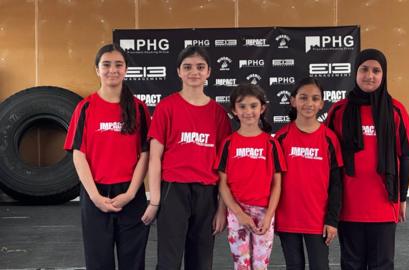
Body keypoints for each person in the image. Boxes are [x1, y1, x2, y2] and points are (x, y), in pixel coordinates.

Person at [326, 48, 409, 270]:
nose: (370, 75)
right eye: (364, 69)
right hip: (348, 205)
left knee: (382, 265)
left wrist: (402, 198)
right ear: (355, 72)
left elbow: (405, 157)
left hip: (384, 204)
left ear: (383, 74)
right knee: (351, 264)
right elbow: (329, 163)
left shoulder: (396, 110)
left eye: (376, 70)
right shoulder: (339, 111)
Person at [141, 45, 232, 270]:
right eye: (188, 67)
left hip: (206, 194)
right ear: (179, 72)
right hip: (173, 191)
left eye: (200, 67)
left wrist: (222, 208)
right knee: (169, 260)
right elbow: (155, 158)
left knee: (201, 261)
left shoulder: (218, 114)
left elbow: (224, 167)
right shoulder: (166, 107)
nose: (194, 72)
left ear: (209, 72)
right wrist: (154, 200)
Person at [64, 44, 151, 270]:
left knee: (133, 262)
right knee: (98, 263)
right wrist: (94, 197)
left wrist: (131, 193)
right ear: (97, 69)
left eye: (118, 64)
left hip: (131, 197)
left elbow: (145, 154)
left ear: (126, 69)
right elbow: (78, 155)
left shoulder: (139, 108)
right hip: (96, 195)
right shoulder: (85, 108)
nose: (112, 69)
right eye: (106, 64)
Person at [215, 84, 286, 270]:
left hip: (264, 213)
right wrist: (238, 213)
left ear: (262, 108)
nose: (248, 111)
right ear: (234, 110)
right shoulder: (228, 143)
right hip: (236, 213)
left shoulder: (271, 144)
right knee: (242, 265)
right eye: (242, 106)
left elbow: (277, 184)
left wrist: (269, 215)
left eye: (253, 106)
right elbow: (222, 184)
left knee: (260, 266)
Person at [275, 77, 343, 270]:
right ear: (293, 101)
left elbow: (336, 184)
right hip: (288, 220)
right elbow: (273, 182)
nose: (309, 103)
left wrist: (332, 221)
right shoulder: (281, 138)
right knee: (294, 266)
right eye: (303, 98)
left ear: (322, 103)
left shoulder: (330, 139)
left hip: (318, 221)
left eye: (315, 98)